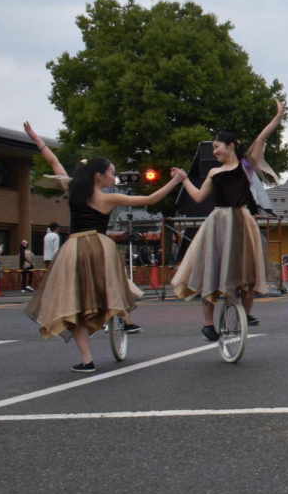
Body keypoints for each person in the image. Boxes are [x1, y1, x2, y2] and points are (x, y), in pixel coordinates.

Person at [20, 121, 187, 372]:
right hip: (98, 245)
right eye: (111, 173)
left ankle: (87, 360)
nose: (113, 177)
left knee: (75, 301)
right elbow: (151, 199)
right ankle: (126, 318)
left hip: (73, 248)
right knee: (113, 282)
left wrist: (36, 139)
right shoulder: (107, 198)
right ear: (99, 176)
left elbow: (54, 162)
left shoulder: (73, 189)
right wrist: (177, 180)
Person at [172, 99, 285, 340]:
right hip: (219, 222)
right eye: (213, 148)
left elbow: (261, 139)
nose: (214, 152)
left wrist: (277, 117)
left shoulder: (246, 166)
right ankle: (207, 324)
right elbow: (199, 197)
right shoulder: (214, 172)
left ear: (231, 146)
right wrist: (184, 180)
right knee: (211, 270)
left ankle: (245, 314)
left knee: (248, 271)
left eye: (217, 147)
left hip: (242, 220)